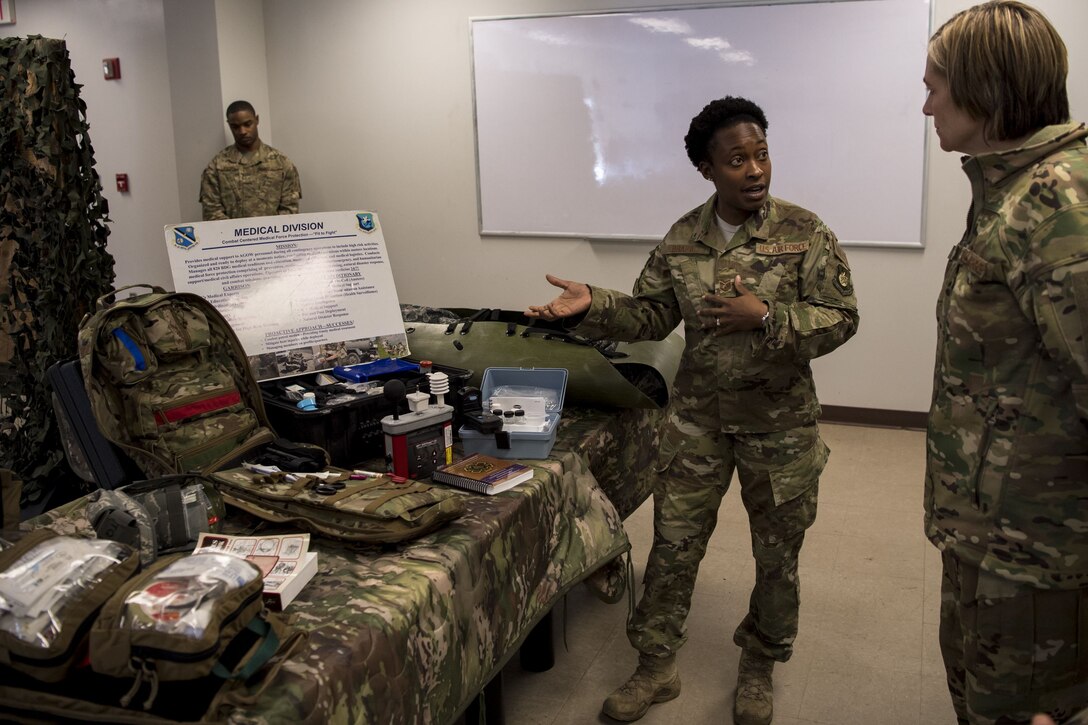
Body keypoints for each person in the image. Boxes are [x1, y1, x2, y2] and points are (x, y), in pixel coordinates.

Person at [525, 96, 859, 723]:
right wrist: (593, 304)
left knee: (776, 557)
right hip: (697, 422)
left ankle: (758, 667)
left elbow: (843, 318)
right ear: (708, 169)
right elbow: (652, 315)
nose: (755, 170)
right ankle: (655, 667)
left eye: (761, 154)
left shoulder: (805, 233)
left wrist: (769, 318)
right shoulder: (683, 238)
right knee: (675, 549)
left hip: (778, 427)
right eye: (737, 160)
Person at [921, 2, 1088, 723]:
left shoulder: (1059, 203)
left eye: (937, 85)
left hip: (1040, 558)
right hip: (993, 537)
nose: (926, 104)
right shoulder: (1009, 191)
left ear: (985, 89)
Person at [199, 100, 301, 220]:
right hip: (230, 237)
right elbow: (212, 212)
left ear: (257, 120)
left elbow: (290, 212)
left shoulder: (282, 163)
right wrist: (238, 236)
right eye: (235, 127)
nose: (242, 131)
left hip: (272, 235)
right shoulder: (217, 166)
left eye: (248, 124)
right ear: (229, 125)